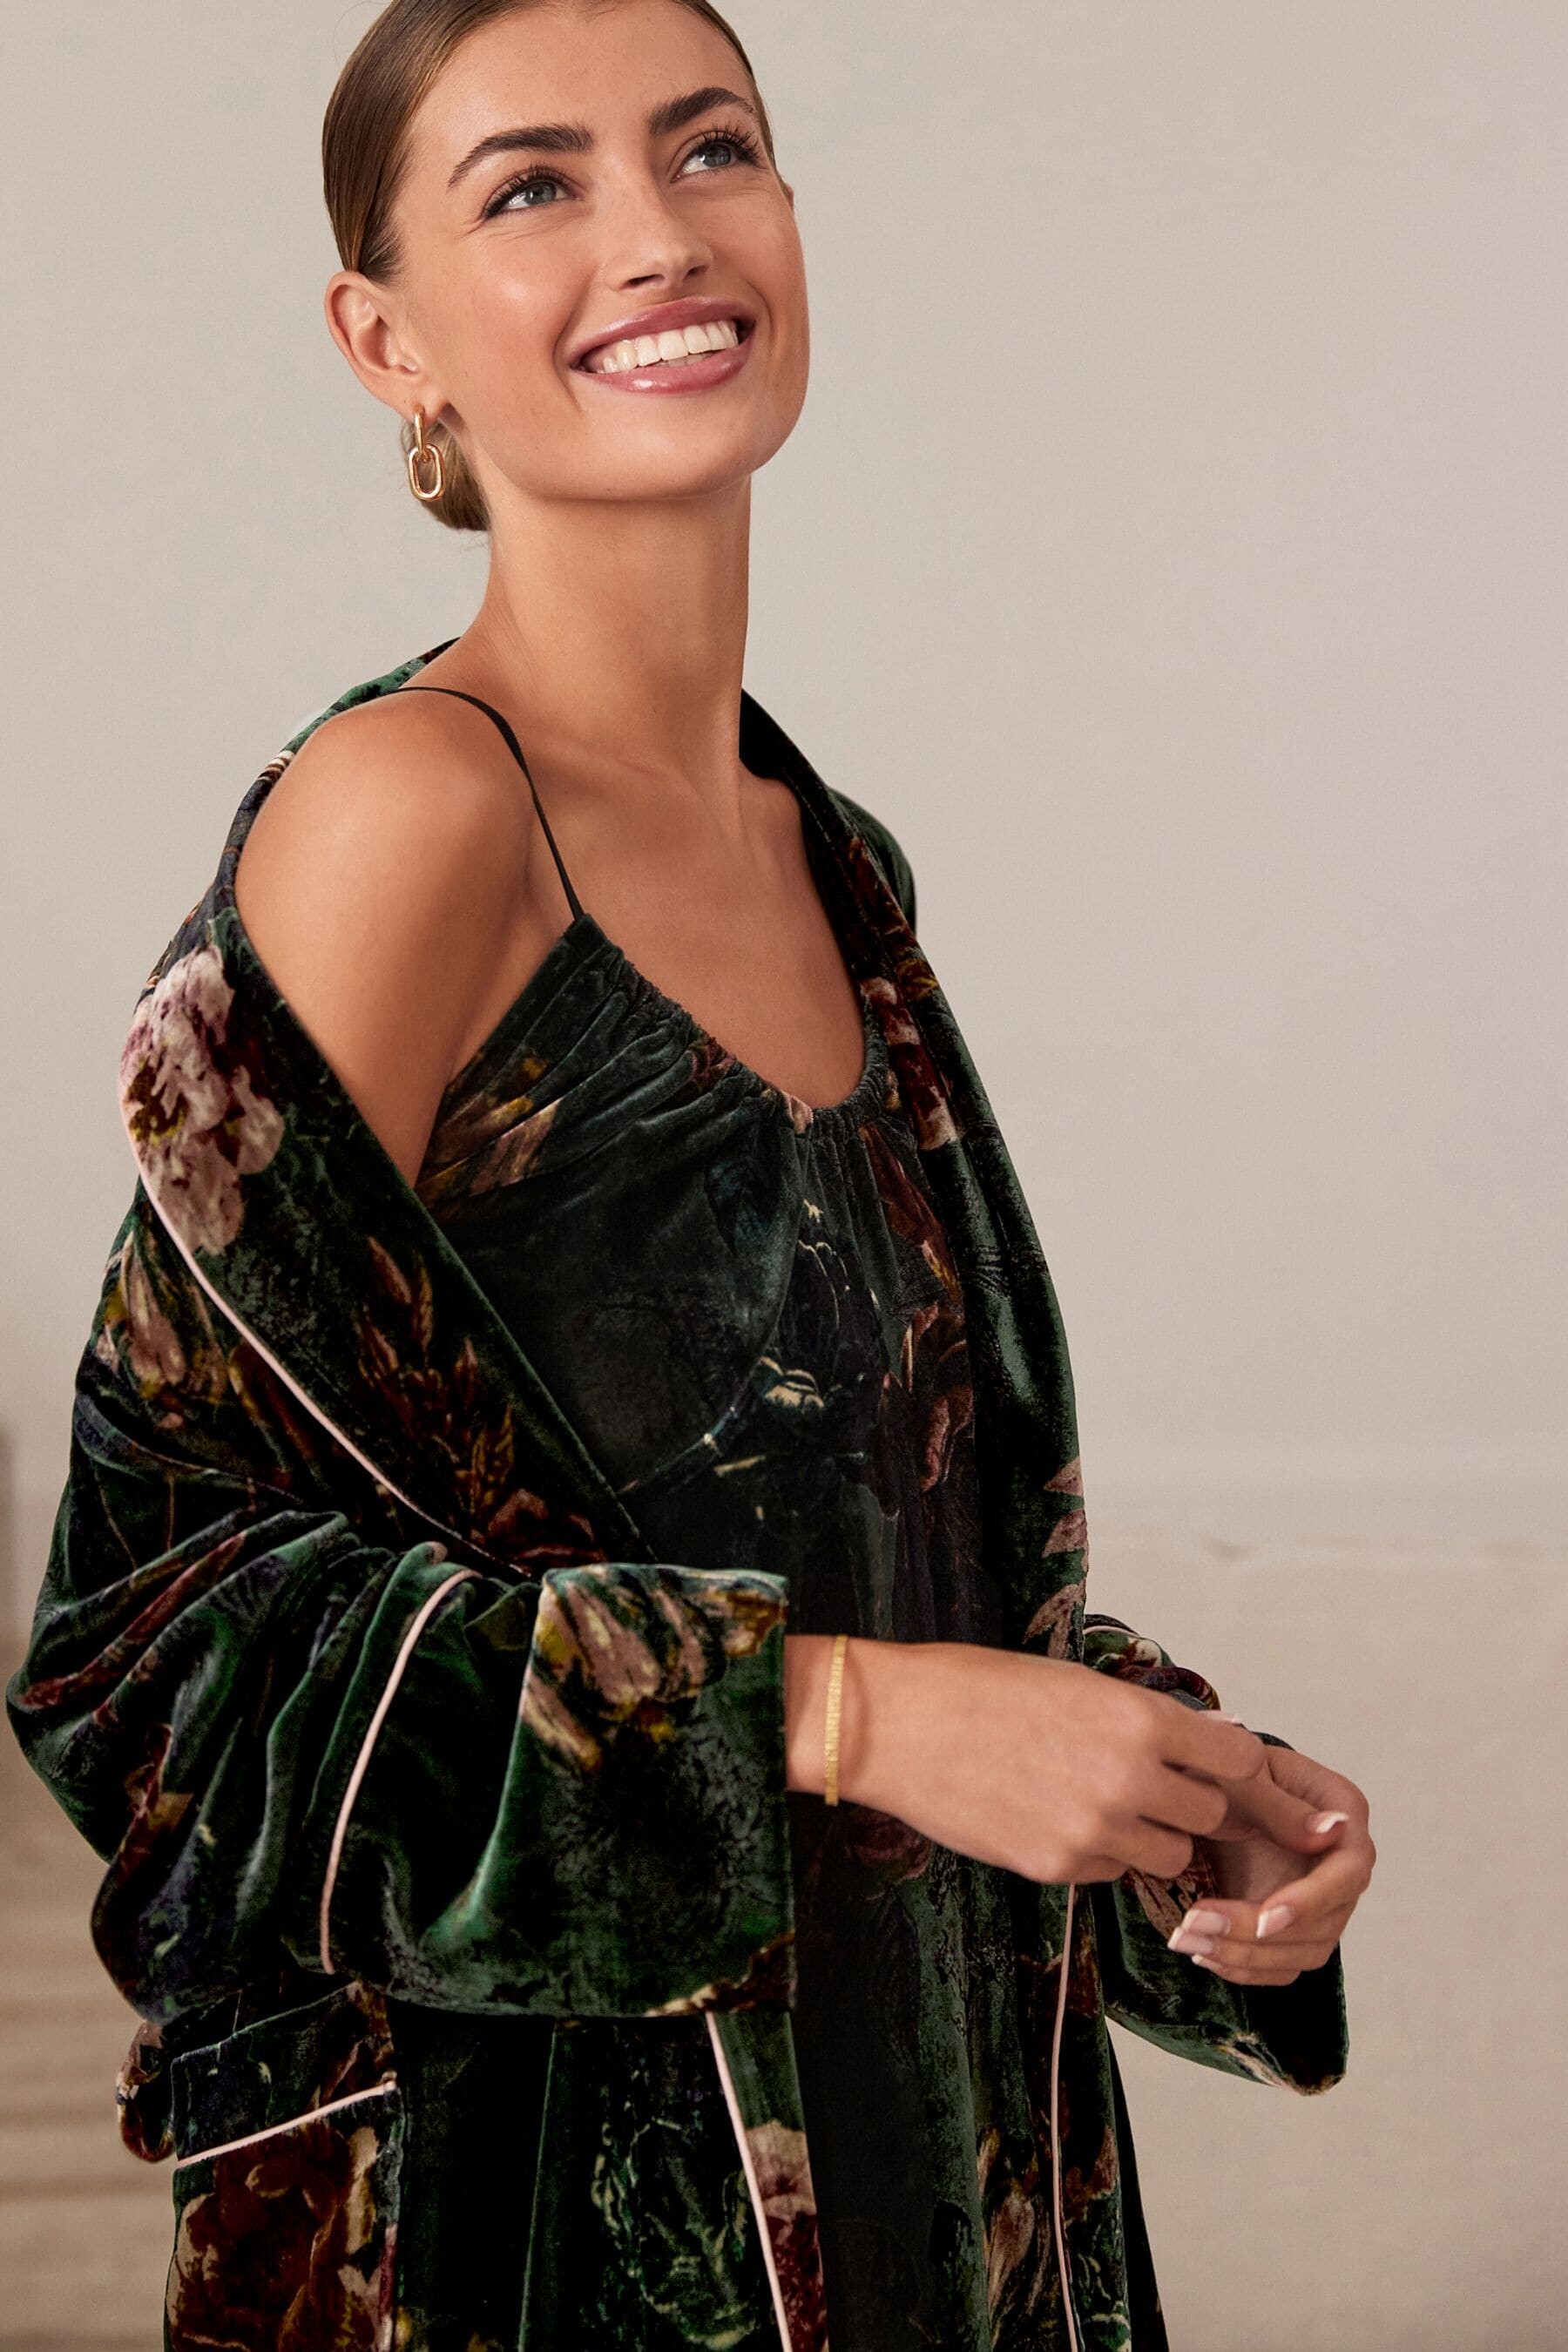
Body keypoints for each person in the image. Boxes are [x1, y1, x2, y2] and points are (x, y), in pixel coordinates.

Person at [7, 3, 1375, 2347]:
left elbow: (855, 1551)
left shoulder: (833, 866)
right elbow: (152, 1656)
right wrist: (842, 1721)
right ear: (386, 339)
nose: (659, 234)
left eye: (711, 147)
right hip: (541, 2243)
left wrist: (1162, 1789)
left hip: (943, 2208)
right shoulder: (409, 823)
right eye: (532, 185)